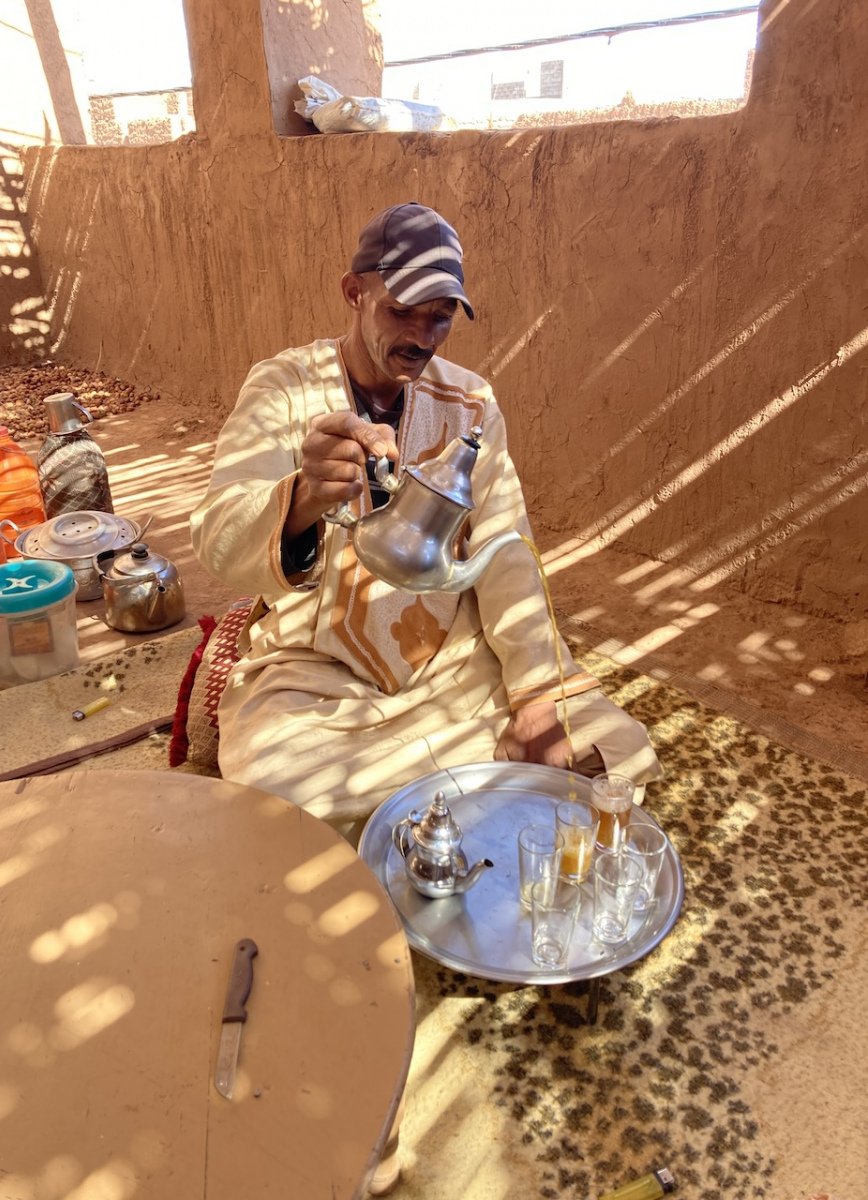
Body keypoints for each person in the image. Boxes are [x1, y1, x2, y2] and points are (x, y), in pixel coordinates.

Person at [191, 202, 661, 843]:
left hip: (454, 663)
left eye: (441, 315)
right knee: (271, 781)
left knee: (618, 747)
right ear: (354, 294)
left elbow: (505, 548)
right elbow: (217, 536)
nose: (422, 334)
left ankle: (423, 799)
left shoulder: (471, 402)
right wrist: (301, 495)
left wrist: (535, 701)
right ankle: (483, 787)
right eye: (402, 311)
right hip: (320, 670)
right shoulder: (283, 389)